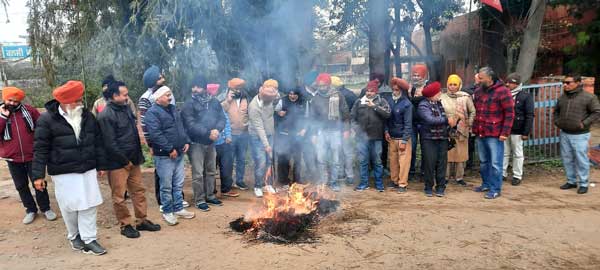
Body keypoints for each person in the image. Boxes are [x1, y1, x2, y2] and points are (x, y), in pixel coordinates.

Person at [32, 81, 107, 255]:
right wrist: (38, 175)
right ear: (66, 102)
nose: (81, 102)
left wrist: (101, 164)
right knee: (69, 206)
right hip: (63, 171)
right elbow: (40, 148)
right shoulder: (46, 120)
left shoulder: (87, 116)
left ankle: (90, 239)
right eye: (77, 100)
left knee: (90, 203)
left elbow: (98, 142)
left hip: (87, 168)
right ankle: (74, 236)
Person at [97, 81, 162, 238]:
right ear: (114, 96)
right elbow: (110, 143)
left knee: (138, 191)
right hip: (118, 163)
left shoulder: (126, 108)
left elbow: (132, 134)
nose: (127, 97)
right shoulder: (106, 115)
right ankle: (125, 224)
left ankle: (142, 220)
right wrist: (125, 161)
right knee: (119, 196)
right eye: (124, 94)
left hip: (133, 159)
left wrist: (136, 158)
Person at [0, 86, 56, 224]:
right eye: (10, 100)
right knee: (21, 185)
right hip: (12, 157)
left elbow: (42, 127)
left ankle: (46, 208)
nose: (12, 103)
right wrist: (3, 118)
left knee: (39, 183)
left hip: (33, 155)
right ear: (4, 98)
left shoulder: (30, 111)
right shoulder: (0, 113)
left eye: (16, 101)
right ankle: (30, 210)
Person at [137, 65, 188, 210]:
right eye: (160, 77)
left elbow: (176, 120)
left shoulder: (167, 94)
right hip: (160, 144)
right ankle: (163, 202)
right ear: (154, 81)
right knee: (162, 173)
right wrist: (151, 145)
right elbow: (146, 125)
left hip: (175, 143)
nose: (163, 79)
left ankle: (177, 201)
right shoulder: (145, 99)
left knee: (176, 174)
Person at [145, 86, 193, 225]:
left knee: (178, 183)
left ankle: (178, 208)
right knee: (166, 185)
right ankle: (167, 211)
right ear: (158, 97)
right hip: (164, 155)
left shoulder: (173, 109)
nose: (170, 97)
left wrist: (186, 141)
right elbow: (155, 134)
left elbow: (181, 127)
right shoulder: (152, 113)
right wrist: (169, 148)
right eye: (167, 95)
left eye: (169, 94)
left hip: (179, 152)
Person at [181, 77, 226, 211]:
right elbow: (190, 124)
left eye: (198, 87)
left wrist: (217, 130)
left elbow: (222, 118)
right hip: (196, 143)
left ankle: (210, 196)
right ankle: (199, 199)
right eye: (193, 86)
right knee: (198, 173)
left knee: (211, 171)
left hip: (211, 142)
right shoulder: (188, 104)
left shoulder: (214, 102)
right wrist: (208, 133)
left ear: (205, 88)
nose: (195, 89)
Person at [472, 67, 514, 199]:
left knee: (496, 162)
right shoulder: (479, 91)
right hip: (481, 131)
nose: (478, 80)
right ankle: (486, 184)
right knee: (484, 161)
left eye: (481, 78)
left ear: (490, 78)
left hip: (495, 133)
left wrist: (505, 132)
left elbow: (509, 113)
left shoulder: (503, 92)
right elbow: (476, 110)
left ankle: (495, 188)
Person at [555, 74, 600, 194]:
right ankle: (571, 181)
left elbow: (596, 112)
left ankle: (584, 183)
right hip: (565, 133)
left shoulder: (589, 97)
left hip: (581, 135)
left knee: (581, 159)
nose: (565, 85)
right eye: (564, 82)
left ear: (578, 83)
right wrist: (557, 121)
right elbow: (556, 111)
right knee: (567, 159)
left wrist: (583, 124)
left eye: (568, 82)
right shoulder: (562, 98)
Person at [310, 73, 350, 192]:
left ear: (328, 85)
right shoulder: (315, 98)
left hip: (336, 131)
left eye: (323, 85)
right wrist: (313, 134)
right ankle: (323, 181)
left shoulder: (338, 96)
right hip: (321, 132)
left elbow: (345, 113)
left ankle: (333, 182)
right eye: (319, 86)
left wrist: (346, 129)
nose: (321, 88)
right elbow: (312, 118)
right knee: (321, 158)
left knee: (335, 159)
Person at [351, 80, 391, 192]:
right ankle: (364, 183)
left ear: (376, 92)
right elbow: (352, 117)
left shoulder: (382, 101)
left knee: (377, 161)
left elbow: (387, 114)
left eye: (372, 91)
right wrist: (355, 129)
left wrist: (374, 106)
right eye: (367, 91)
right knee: (363, 161)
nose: (369, 93)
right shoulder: (359, 102)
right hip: (361, 137)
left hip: (376, 137)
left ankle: (379, 183)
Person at [418, 82, 453, 197]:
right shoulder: (423, 105)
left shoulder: (439, 103)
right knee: (429, 163)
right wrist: (447, 120)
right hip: (428, 139)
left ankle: (440, 187)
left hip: (442, 137)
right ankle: (428, 187)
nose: (440, 93)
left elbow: (441, 119)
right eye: (438, 92)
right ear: (433, 94)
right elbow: (430, 120)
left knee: (441, 163)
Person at [440, 74, 475, 186]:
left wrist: (468, 124)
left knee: (461, 154)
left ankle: (459, 177)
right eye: (450, 84)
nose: (452, 87)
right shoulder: (442, 97)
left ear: (459, 85)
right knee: (448, 153)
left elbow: (473, 112)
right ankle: (445, 177)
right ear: (447, 85)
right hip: (446, 128)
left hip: (462, 129)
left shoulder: (465, 97)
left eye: (455, 84)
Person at [248, 79, 279, 197]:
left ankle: (268, 184)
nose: (272, 100)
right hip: (257, 137)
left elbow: (277, 95)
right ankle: (258, 185)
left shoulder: (270, 98)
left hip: (270, 134)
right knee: (261, 162)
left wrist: (273, 88)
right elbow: (259, 128)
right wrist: (266, 145)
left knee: (269, 161)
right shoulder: (254, 107)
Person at [502, 73, 534, 186]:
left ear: (517, 84)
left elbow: (529, 115)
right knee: (504, 153)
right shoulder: (504, 95)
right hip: (505, 128)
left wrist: (526, 132)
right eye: (507, 82)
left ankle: (517, 175)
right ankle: (502, 173)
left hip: (518, 129)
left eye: (510, 82)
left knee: (517, 153)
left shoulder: (525, 96)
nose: (508, 84)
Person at [384, 78, 413, 193]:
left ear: (402, 91)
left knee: (404, 162)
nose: (394, 92)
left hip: (402, 137)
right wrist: (386, 131)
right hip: (392, 137)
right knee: (393, 161)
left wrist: (405, 140)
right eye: (393, 89)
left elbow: (408, 123)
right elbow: (386, 118)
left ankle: (402, 184)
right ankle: (394, 180)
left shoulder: (407, 104)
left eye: (396, 90)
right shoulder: (390, 101)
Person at [221, 78, 251, 190]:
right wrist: (228, 100)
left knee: (241, 159)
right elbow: (219, 110)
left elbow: (250, 113)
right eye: (235, 88)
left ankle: (239, 181)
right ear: (230, 88)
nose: (238, 90)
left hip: (244, 134)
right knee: (229, 160)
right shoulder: (225, 98)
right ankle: (228, 182)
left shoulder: (246, 99)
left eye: (239, 88)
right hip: (230, 135)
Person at [274, 88, 306, 189]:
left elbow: (308, 117)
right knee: (283, 158)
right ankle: (283, 181)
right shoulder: (282, 101)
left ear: (299, 94)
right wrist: (278, 114)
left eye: (294, 94)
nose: (292, 96)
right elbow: (273, 113)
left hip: (298, 134)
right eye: (290, 94)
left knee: (297, 159)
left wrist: (304, 129)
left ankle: (297, 180)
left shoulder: (303, 102)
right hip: (284, 134)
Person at [331, 76, 357, 185]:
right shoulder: (350, 93)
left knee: (342, 152)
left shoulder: (339, 95)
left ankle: (344, 174)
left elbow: (348, 112)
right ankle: (348, 174)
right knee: (346, 152)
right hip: (345, 127)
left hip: (344, 127)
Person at [409, 64, 428, 180]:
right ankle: (410, 170)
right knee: (412, 146)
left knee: (425, 147)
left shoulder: (428, 87)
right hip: (412, 122)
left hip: (425, 121)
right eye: (414, 75)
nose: (416, 77)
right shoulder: (410, 87)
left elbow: (426, 98)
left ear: (424, 76)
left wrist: (415, 99)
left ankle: (424, 171)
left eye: (418, 75)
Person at [300, 71, 320, 182]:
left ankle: (318, 176)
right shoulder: (302, 95)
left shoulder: (319, 93)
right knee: (307, 153)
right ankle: (309, 174)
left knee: (318, 153)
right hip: (304, 130)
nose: (317, 83)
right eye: (315, 81)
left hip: (318, 129)